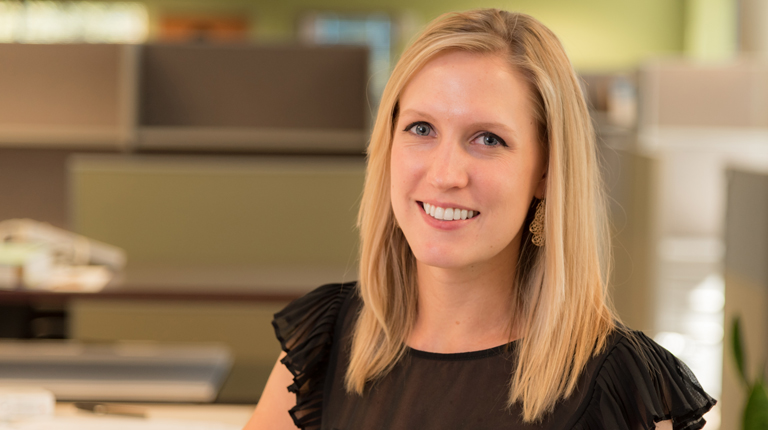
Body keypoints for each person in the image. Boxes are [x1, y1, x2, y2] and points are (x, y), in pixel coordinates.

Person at [245, 9, 716, 430]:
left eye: (488, 139)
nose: (445, 174)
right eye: (421, 129)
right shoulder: (325, 343)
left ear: (547, 172)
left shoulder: (615, 385)